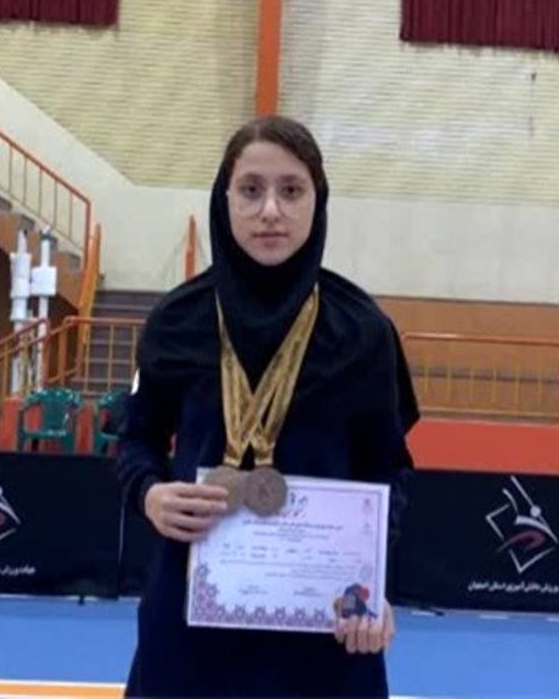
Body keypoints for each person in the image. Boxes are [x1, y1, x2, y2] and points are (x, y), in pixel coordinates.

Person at [117, 115, 419, 698]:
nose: (271, 211)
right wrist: (149, 494)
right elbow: (136, 441)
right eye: (251, 190)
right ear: (224, 198)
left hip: (328, 622)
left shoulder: (363, 331)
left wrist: (372, 582)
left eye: (291, 190)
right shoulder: (176, 321)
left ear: (318, 200)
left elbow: (388, 470)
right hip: (189, 624)